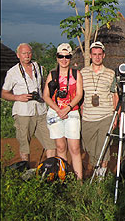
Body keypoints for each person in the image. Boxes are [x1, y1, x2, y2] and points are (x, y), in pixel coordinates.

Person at [2, 43, 56, 164]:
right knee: (24, 145)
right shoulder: (13, 72)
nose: (27, 55)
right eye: (24, 53)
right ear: (18, 55)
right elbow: (4, 93)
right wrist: (18, 97)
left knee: (51, 143)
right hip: (23, 112)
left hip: (41, 110)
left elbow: (43, 87)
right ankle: (25, 170)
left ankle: (49, 171)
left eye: (29, 53)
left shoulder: (39, 68)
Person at [42, 43, 84, 180]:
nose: (64, 59)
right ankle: (63, 178)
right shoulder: (52, 74)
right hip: (56, 113)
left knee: (75, 148)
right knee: (60, 147)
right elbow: (46, 96)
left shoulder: (76, 74)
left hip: (71, 112)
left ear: (71, 57)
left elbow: (79, 94)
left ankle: (78, 182)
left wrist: (68, 108)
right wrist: (58, 110)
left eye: (67, 56)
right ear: (57, 57)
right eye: (61, 56)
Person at [80, 41, 116, 178]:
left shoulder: (110, 73)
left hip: (106, 115)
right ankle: (95, 166)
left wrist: (115, 116)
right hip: (88, 116)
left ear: (104, 55)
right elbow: (80, 94)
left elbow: (115, 96)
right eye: (94, 54)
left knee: (104, 145)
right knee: (89, 146)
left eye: (99, 54)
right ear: (90, 55)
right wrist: (82, 111)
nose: (97, 57)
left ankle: (102, 171)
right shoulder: (82, 73)